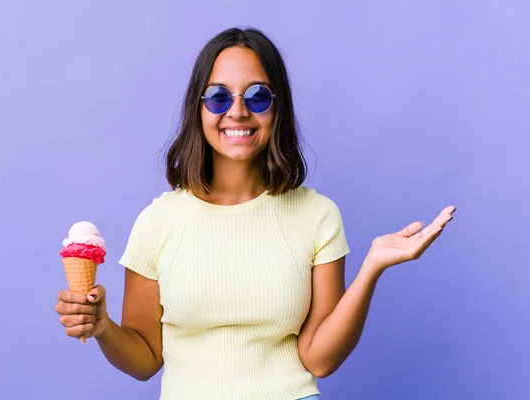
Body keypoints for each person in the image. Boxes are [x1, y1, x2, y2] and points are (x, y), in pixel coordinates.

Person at [55, 27, 455, 399]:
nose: (238, 111)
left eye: (258, 95)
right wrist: (103, 326)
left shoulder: (317, 216)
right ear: (198, 107)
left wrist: (371, 268)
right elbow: (145, 360)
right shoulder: (157, 222)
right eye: (218, 96)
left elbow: (320, 359)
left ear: (277, 107)